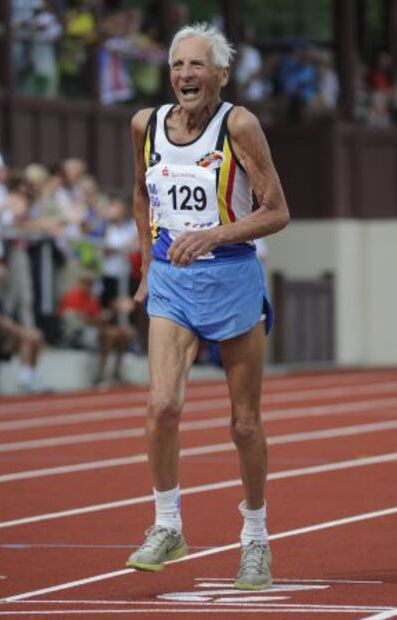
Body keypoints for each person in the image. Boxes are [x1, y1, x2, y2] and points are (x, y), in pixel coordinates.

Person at [125, 23, 289, 590]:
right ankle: (167, 524)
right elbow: (142, 194)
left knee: (243, 424)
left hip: (231, 276)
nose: (185, 76)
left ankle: (255, 539)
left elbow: (276, 211)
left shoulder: (238, 125)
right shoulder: (145, 125)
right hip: (173, 279)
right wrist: (148, 264)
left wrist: (215, 236)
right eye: (177, 66)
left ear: (221, 74)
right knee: (161, 406)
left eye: (197, 66)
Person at [58, 270, 135, 386]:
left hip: (91, 331)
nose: (88, 287)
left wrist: (110, 312)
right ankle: (101, 374)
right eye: (86, 283)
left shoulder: (92, 300)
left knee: (123, 333)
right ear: (80, 283)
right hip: (77, 334)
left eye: (91, 284)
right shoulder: (72, 297)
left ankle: (117, 372)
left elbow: (96, 319)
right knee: (109, 335)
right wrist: (97, 319)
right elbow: (77, 320)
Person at [0, 262, 47, 393]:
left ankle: (31, 375)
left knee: (37, 336)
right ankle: (24, 380)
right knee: (27, 339)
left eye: (0, 280)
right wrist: (22, 332)